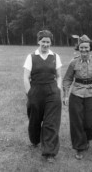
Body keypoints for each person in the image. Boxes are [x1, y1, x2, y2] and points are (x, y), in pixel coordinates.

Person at [63, 35, 92, 160]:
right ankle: (79, 148)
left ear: (90, 48)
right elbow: (67, 79)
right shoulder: (73, 62)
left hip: (91, 95)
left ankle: (88, 137)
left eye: (86, 48)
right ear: (78, 49)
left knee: (89, 122)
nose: (84, 51)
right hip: (76, 94)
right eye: (81, 48)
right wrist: (65, 95)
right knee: (76, 123)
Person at [23, 30, 62, 163]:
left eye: (48, 42)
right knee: (34, 120)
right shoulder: (31, 56)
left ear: (51, 43)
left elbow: (59, 75)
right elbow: (25, 76)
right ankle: (35, 141)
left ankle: (49, 152)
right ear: (38, 41)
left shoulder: (55, 56)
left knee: (51, 122)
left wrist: (58, 88)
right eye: (43, 41)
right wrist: (30, 94)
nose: (45, 44)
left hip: (52, 91)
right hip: (35, 90)